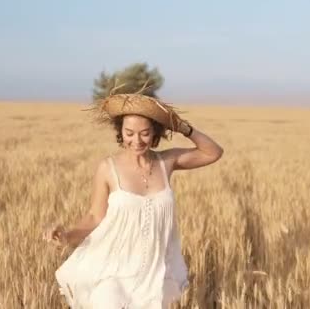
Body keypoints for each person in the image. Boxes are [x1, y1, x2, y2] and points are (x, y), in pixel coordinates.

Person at [43, 92, 223, 308]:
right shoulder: (108, 168)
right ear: (120, 131)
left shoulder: (167, 162)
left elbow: (213, 153)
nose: (136, 141)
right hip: (114, 272)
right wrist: (67, 235)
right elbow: (94, 217)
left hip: (158, 274)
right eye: (129, 133)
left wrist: (184, 128)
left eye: (145, 133)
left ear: (155, 133)